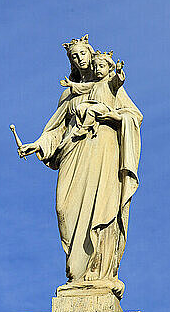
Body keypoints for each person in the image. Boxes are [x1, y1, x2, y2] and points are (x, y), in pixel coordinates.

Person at [19, 35, 142, 297]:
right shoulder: (69, 94)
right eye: (73, 57)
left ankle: (99, 272)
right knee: (64, 208)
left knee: (102, 206)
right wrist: (37, 145)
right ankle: (77, 270)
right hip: (73, 153)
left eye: (82, 53)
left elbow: (134, 116)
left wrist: (111, 115)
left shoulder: (109, 85)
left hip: (103, 151)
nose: (79, 59)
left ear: (91, 53)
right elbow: (55, 129)